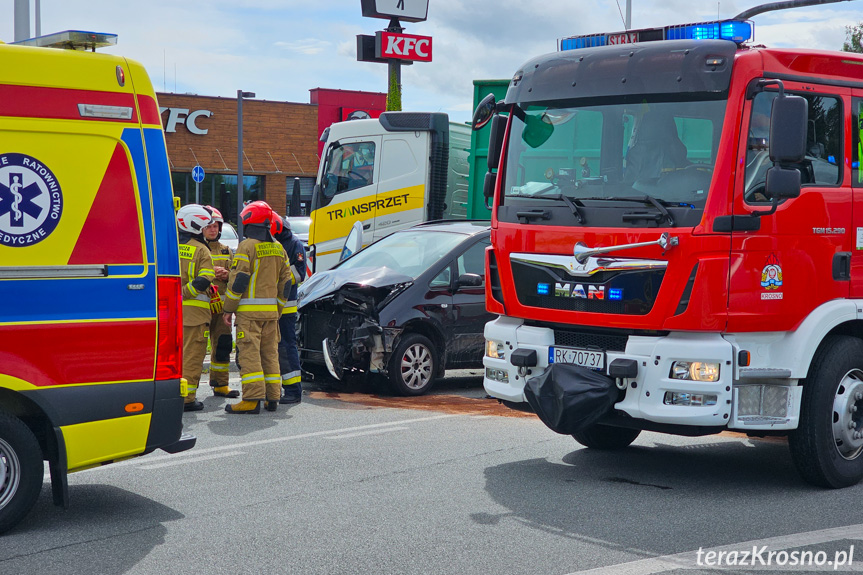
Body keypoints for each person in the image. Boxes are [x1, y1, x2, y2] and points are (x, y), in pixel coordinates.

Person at [222, 201, 292, 414]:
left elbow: (239, 280)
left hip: (249, 315)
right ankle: (272, 397)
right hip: (271, 315)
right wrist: (277, 309)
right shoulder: (278, 248)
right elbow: (286, 283)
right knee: (270, 355)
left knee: (250, 355)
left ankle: (251, 399)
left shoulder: (247, 246)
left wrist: (228, 308)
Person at [176, 204, 216, 412]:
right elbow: (206, 278)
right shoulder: (201, 249)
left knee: (174, 357)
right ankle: (187, 399)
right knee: (191, 357)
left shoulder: (169, 244)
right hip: (194, 315)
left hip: (170, 313)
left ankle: (173, 394)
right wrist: (184, 292)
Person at [202, 206, 239, 399]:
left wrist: (227, 275)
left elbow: (237, 276)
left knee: (223, 345)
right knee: (196, 347)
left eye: (216, 225)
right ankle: (188, 388)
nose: (212, 229)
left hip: (222, 308)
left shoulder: (226, 250)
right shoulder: (196, 248)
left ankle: (220, 384)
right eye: (208, 225)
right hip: (200, 308)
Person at [272, 214, 306, 404]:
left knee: (286, 346)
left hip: (285, 306)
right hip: (269, 305)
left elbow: (299, 274)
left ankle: (293, 391)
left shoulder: (294, 244)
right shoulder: (272, 243)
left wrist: (272, 279)